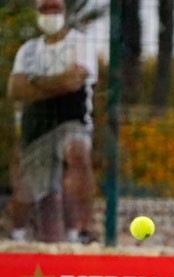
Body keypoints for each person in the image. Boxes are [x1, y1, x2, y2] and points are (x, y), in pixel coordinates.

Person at [7, 0, 98, 243]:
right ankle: (15, 237)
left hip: (73, 119)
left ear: (64, 10)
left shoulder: (80, 43)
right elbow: (15, 89)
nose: (50, 14)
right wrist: (59, 82)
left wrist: (34, 82)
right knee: (25, 191)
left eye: (54, 8)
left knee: (76, 153)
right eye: (44, 9)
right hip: (36, 128)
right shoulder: (27, 50)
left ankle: (81, 230)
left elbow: (74, 82)